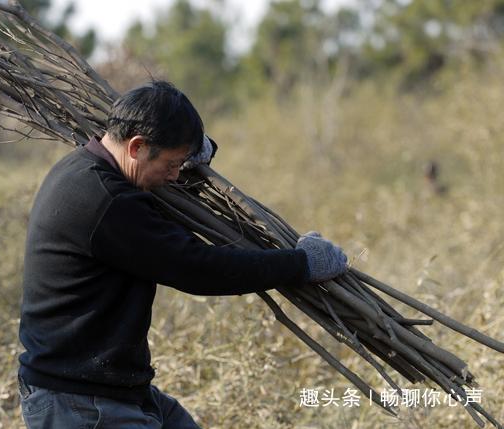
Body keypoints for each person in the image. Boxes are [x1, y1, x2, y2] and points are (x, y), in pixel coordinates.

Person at [17, 80, 348, 428]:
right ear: (137, 147)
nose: (175, 176)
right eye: (172, 164)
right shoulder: (108, 203)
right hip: (80, 403)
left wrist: (190, 155)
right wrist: (302, 264)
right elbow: (199, 267)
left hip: (112, 390)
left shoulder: (85, 167)